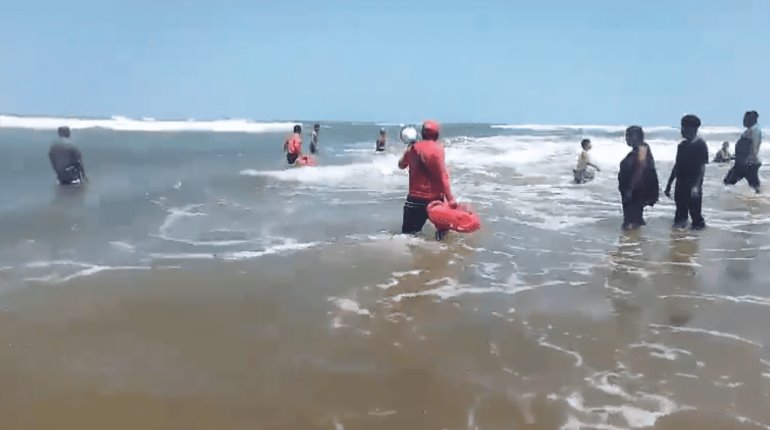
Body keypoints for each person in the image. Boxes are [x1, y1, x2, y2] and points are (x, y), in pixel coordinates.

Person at [398, 120, 456, 239]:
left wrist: (408, 149)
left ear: (422, 133)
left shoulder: (412, 149)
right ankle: (441, 256)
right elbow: (442, 175)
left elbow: (401, 165)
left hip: (414, 200)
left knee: (408, 237)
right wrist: (451, 199)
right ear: (437, 134)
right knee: (443, 236)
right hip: (435, 201)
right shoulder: (438, 149)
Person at [664, 115, 708, 230]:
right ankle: (680, 241)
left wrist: (696, 186)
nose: (682, 131)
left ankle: (696, 240)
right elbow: (676, 166)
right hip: (680, 184)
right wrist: (669, 184)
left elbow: (702, 168)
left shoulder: (700, 145)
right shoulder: (682, 146)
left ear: (694, 129)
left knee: (696, 216)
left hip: (693, 185)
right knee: (679, 215)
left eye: (685, 128)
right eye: (682, 127)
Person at [618, 126, 659, 230]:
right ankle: (636, 242)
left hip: (635, 192)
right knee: (635, 219)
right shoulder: (640, 149)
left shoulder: (641, 150)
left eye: (629, 135)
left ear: (639, 136)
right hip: (635, 192)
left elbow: (640, 169)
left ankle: (630, 242)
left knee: (631, 221)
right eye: (626, 135)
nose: (626, 138)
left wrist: (630, 190)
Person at [724, 111, 762, 193]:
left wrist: (749, 158)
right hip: (747, 163)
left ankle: (727, 201)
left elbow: (753, 145)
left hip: (746, 163)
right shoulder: (753, 130)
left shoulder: (753, 131)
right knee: (755, 186)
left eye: (746, 119)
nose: (744, 121)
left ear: (752, 119)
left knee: (728, 182)